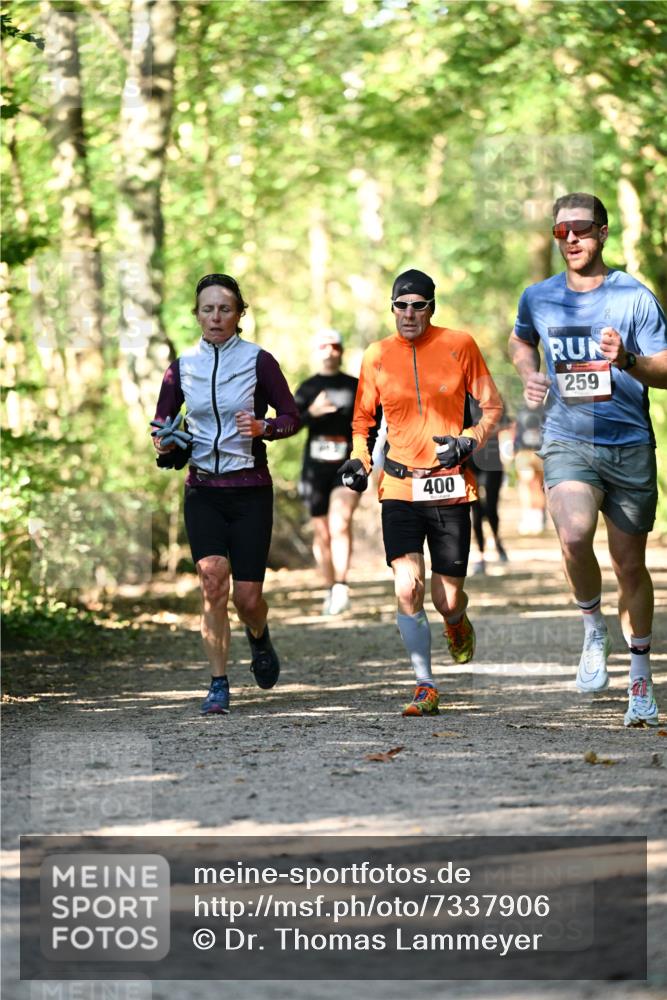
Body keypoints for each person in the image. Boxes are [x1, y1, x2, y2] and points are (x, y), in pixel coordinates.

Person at [508, 192, 667, 727]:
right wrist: (529, 371)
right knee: (573, 535)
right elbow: (519, 340)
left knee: (629, 566)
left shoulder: (634, 297)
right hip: (567, 438)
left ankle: (640, 678)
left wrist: (627, 359)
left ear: (601, 232)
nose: (570, 239)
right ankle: (592, 629)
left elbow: (665, 368)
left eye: (580, 229)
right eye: (560, 233)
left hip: (627, 442)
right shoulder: (539, 296)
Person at [339, 269, 503, 717]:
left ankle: (455, 621)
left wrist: (469, 439)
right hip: (399, 486)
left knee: (445, 597)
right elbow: (362, 422)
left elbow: (492, 406)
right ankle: (425, 685)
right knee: (407, 587)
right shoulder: (376, 355)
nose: (409, 314)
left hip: (450, 486)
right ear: (391, 308)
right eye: (401, 306)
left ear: (432, 307)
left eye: (419, 305)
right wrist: (360, 459)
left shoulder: (460, 344)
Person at [153, 273, 300, 716]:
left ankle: (258, 635)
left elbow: (291, 416)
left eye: (225, 309)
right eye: (207, 309)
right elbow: (162, 421)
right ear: (196, 314)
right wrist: (164, 441)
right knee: (212, 580)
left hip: (251, 491)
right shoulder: (182, 366)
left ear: (239, 314)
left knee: (248, 599)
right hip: (203, 490)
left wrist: (264, 428)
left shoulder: (259, 361)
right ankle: (218, 682)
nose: (216, 317)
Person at [294, 329, 361, 615]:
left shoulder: (355, 385)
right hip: (314, 471)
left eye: (335, 346)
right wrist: (312, 413)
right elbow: (290, 425)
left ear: (341, 351)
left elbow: (371, 424)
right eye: (324, 346)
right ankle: (329, 587)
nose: (329, 351)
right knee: (322, 532)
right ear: (317, 351)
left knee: (340, 522)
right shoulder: (308, 388)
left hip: (347, 466)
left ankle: (342, 586)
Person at [469, 398, 510, 575]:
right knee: (476, 510)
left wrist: (486, 431)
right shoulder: (460, 397)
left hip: (492, 462)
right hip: (470, 463)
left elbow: (507, 423)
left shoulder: (494, 397)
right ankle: (480, 554)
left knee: (491, 508)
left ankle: (497, 541)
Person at [513, 404, 547, 536]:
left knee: (537, 486)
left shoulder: (546, 411)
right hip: (523, 452)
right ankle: (528, 516)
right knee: (526, 484)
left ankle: (537, 517)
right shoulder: (521, 411)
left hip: (539, 452)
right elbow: (517, 432)